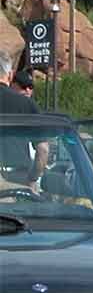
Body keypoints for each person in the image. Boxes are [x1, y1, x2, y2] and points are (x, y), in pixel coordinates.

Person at [0, 52, 47, 193]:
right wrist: (33, 178)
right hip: (16, 178)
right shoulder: (26, 103)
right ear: (10, 75)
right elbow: (43, 149)